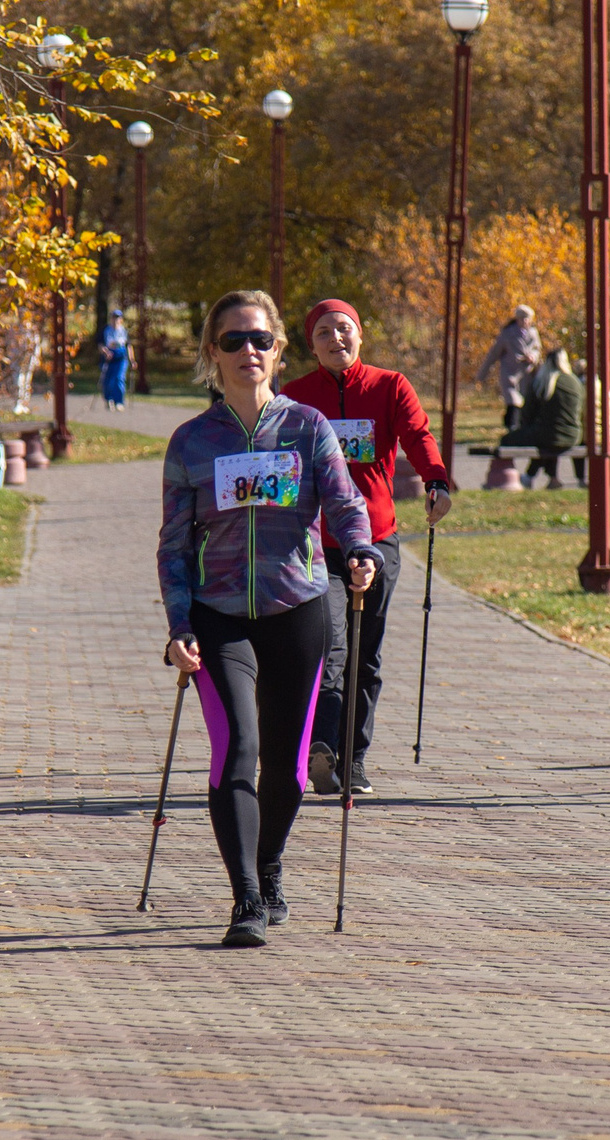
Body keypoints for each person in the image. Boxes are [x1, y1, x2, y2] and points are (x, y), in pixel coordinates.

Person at [158, 290, 377, 947]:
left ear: (278, 349)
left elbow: (343, 505)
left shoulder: (308, 428)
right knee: (237, 750)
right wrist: (177, 625)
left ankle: (270, 864)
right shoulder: (191, 442)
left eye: (258, 339)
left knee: (286, 768)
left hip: (296, 609)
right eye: (232, 341)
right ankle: (246, 899)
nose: (247, 351)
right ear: (212, 353)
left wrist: (361, 548)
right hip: (217, 616)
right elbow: (172, 547)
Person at [283, 298, 454, 797]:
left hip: (376, 541)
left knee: (367, 654)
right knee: (330, 642)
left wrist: (436, 480)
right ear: (310, 344)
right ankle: (322, 749)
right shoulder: (295, 396)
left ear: (360, 334)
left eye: (344, 329)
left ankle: (354, 759)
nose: (336, 340)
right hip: (318, 543)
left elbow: (417, 434)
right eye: (323, 333)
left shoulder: (389, 386)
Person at [513, 345, 583, 488]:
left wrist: (525, 429)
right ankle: (552, 479)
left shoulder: (542, 381)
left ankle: (516, 476)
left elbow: (527, 413)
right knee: (551, 437)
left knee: (540, 437)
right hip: (574, 435)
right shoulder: (574, 382)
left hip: (550, 435)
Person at [475, 305, 543, 434]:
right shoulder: (507, 334)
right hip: (511, 373)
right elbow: (494, 354)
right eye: (522, 318)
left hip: (527, 374)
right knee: (513, 402)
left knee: (525, 402)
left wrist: (533, 357)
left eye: (527, 318)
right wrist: (482, 374)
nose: (525, 321)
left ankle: (521, 428)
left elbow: (537, 350)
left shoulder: (533, 333)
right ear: (517, 319)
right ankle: (512, 428)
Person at [99, 310, 131, 409]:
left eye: (118, 318)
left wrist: (132, 359)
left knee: (119, 378)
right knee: (108, 380)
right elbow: (100, 345)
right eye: (114, 317)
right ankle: (109, 399)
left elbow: (128, 346)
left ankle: (119, 401)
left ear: (121, 319)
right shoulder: (106, 330)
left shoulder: (124, 331)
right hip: (108, 359)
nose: (115, 320)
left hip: (121, 358)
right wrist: (105, 352)